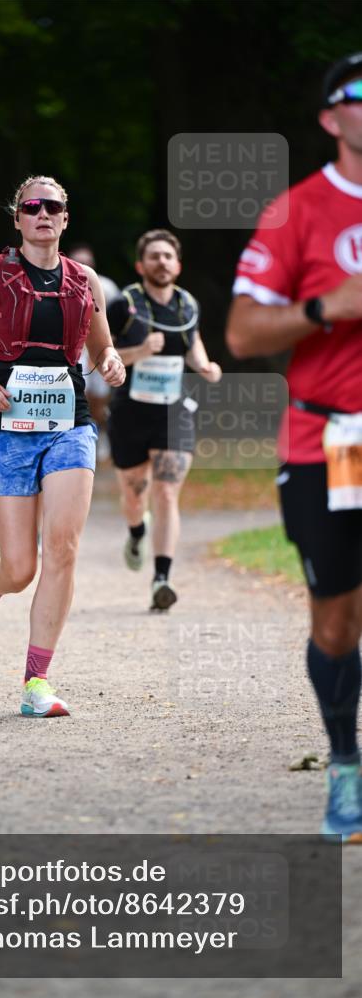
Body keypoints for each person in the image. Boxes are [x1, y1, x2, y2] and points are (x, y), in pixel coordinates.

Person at [226, 53, 362, 842]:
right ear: (329, 117)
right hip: (326, 442)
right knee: (336, 623)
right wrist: (326, 305)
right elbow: (243, 332)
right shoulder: (295, 211)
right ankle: (343, 765)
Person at [0, 175, 125, 717]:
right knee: (21, 567)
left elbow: (104, 347)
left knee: (62, 549)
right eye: (31, 206)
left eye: (53, 206)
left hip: (70, 424)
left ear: (66, 218)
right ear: (17, 218)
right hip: (7, 426)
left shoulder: (84, 279)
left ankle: (36, 683)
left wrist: (111, 362)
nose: (43, 214)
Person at [106, 230, 221, 610]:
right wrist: (141, 349)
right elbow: (101, 356)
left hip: (173, 411)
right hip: (130, 412)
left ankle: (161, 579)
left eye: (168, 257)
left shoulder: (188, 304)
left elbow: (193, 342)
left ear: (178, 265)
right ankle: (137, 531)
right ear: (141, 265)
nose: (162, 262)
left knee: (168, 491)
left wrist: (204, 365)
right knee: (134, 495)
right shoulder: (125, 304)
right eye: (154, 256)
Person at [68, 243, 119, 461]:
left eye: (87, 262)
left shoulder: (104, 285)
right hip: (75, 348)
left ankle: (103, 437)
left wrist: (104, 351)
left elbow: (114, 320)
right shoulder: (61, 281)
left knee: (101, 400)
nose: (83, 265)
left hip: (98, 345)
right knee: (80, 396)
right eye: (79, 261)